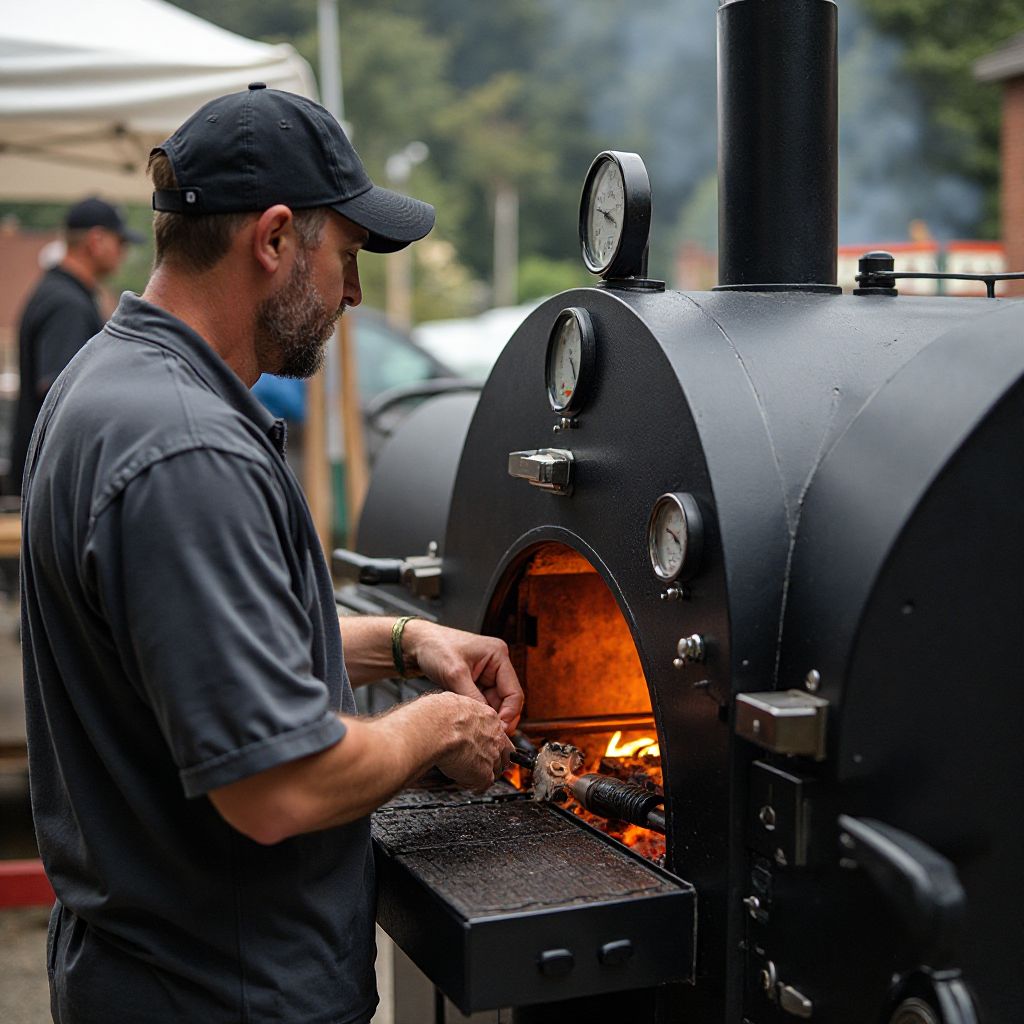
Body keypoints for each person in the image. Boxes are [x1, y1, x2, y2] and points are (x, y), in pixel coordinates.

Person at [21, 84, 522, 1024]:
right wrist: (440, 727)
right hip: (220, 991)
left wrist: (407, 642)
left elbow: (207, 637)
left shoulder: (110, 379)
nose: (357, 292)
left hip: (153, 969)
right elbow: (276, 786)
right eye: (348, 255)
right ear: (276, 238)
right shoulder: (185, 449)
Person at [7, 197, 142, 494]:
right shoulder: (67, 303)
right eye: (119, 242)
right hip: (53, 480)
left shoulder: (60, 292)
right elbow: (65, 396)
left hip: (46, 474)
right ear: (96, 240)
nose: (123, 252)